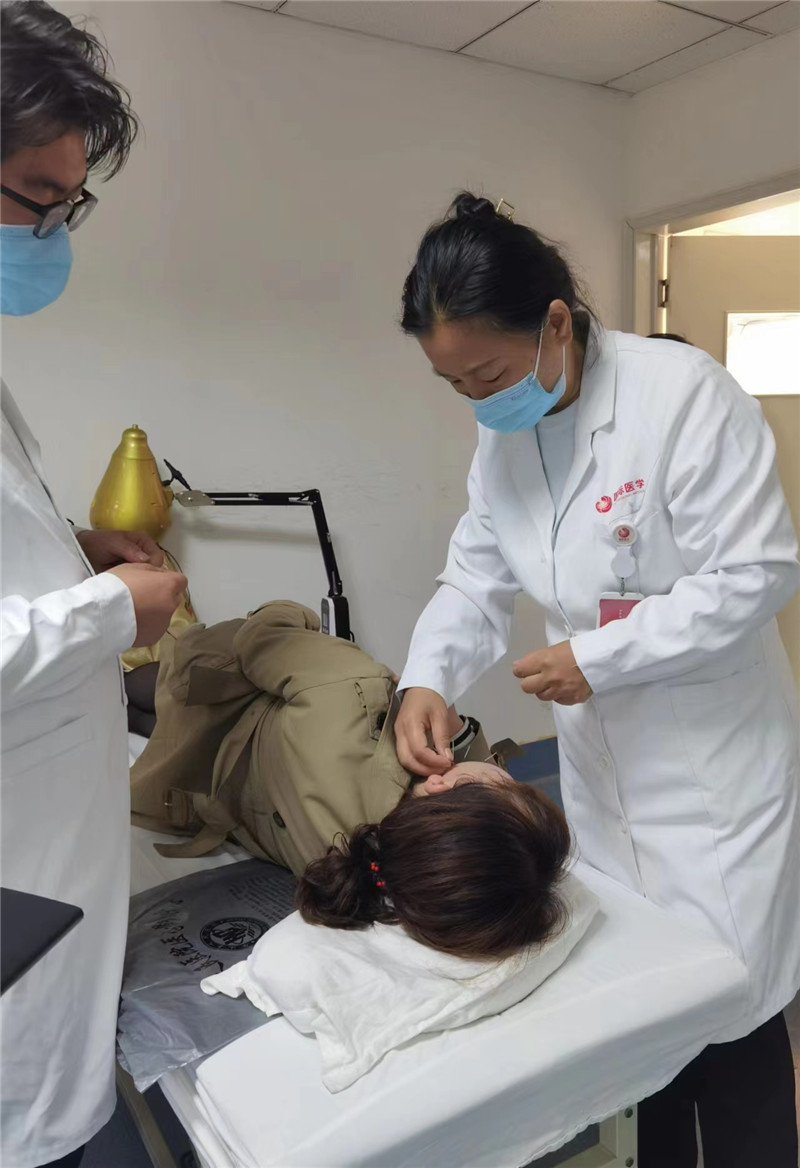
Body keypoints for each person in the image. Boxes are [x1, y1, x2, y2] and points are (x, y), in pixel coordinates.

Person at [394, 192, 800, 1167]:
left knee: (732, 1020)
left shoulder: (680, 396)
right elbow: (475, 576)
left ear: (554, 324)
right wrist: (425, 680)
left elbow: (756, 572)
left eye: (487, 375)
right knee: (644, 1029)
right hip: (602, 778)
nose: (477, 401)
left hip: (712, 779)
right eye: (454, 385)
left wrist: (599, 658)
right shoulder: (505, 433)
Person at [1, 4, 186, 1166]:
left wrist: (74, 548)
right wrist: (111, 609)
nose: (50, 230)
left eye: (68, 204)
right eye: (35, 195)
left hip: (54, 824)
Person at [297, 770, 571, 959]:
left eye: (506, 783)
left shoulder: (344, 775)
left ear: (439, 784)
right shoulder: (405, 859)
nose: (506, 774)